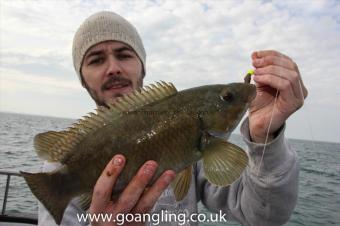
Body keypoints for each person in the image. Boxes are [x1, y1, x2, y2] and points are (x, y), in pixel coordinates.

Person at [39, 11, 308, 226]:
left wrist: (266, 139)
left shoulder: (198, 155)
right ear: (83, 78)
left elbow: (263, 217)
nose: (113, 68)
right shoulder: (60, 170)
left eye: (124, 55)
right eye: (96, 60)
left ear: (141, 66)